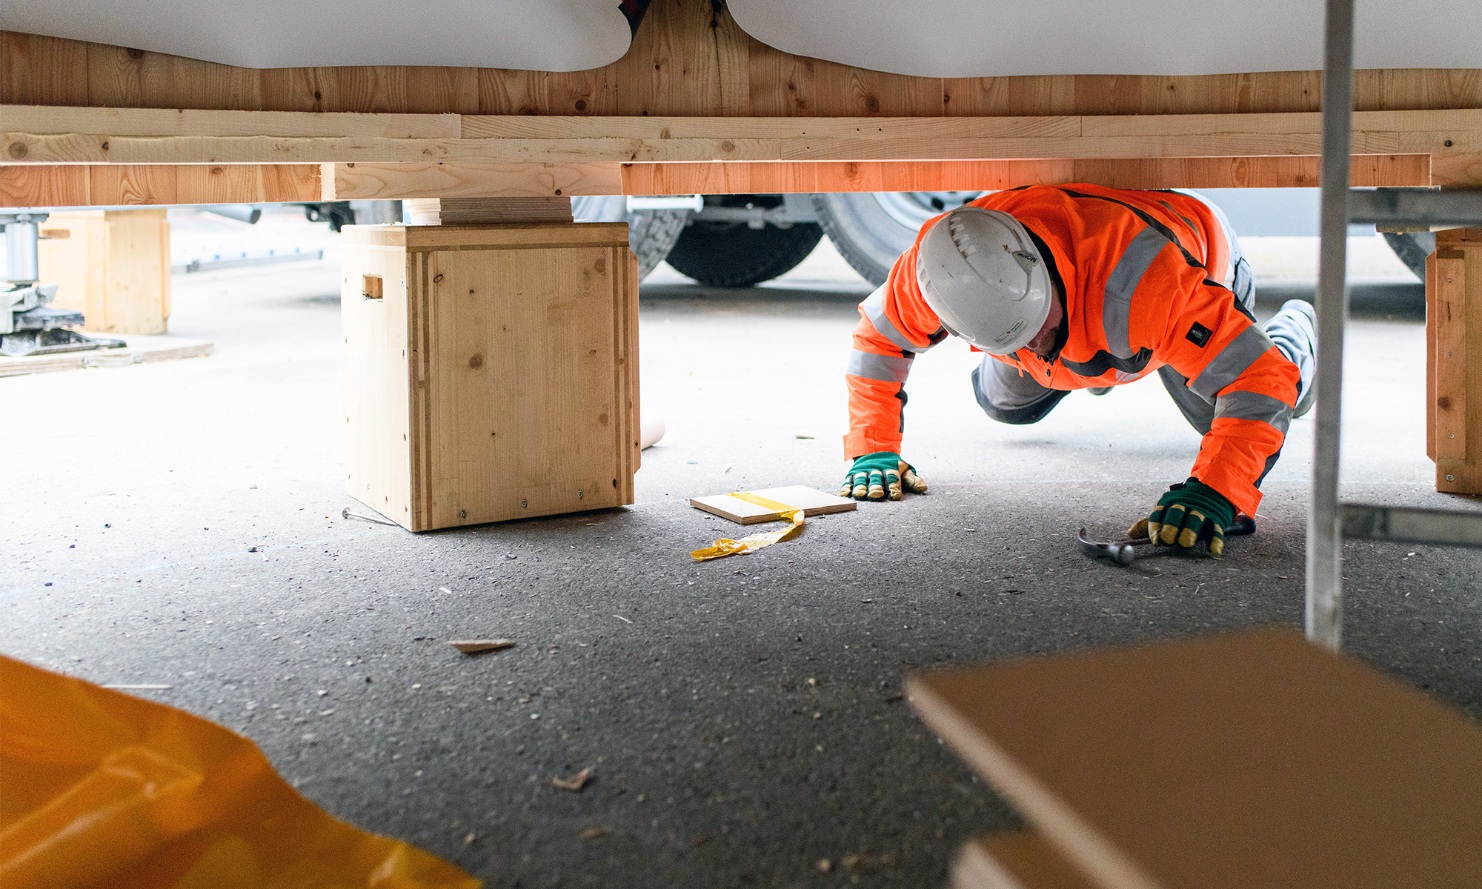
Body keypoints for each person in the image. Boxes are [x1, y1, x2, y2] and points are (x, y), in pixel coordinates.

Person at [838, 183, 1317, 558]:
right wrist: (873, 450)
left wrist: (1215, 491)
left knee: (1235, 412)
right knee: (1002, 404)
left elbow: (1257, 381)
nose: (1035, 348)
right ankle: (1092, 368)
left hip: (1191, 259)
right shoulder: (938, 271)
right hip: (1104, 319)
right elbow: (879, 340)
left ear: (1039, 277)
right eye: (1014, 342)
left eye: (1036, 331)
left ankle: (1295, 331)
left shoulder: (1152, 287)